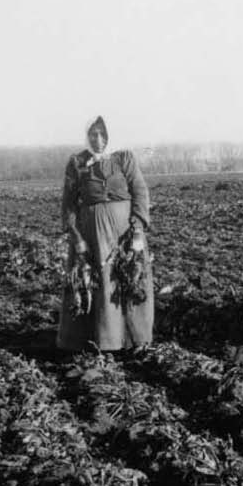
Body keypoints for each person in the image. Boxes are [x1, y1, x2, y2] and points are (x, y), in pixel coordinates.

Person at [57, 116, 153, 351]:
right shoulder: (77, 162)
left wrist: (138, 229)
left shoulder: (124, 159)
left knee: (128, 279)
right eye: (93, 134)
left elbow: (140, 192)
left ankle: (133, 340)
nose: (98, 140)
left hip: (123, 234)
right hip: (92, 235)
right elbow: (69, 203)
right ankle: (100, 340)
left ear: (110, 136)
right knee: (95, 282)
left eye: (102, 134)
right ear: (86, 137)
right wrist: (77, 237)